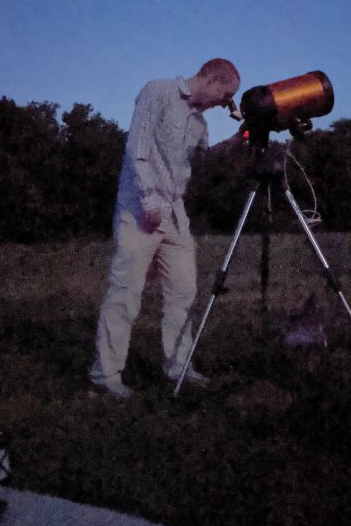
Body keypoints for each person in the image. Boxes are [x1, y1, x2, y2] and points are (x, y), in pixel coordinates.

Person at [90, 58, 241, 399]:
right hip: (139, 210)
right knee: (125, 292)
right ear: (213, 79)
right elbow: (137, 150)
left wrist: (236, 144)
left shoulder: (200, 124)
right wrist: (148, 201)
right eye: (226, 94)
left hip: (174, 214)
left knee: (183, 292)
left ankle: (179, 366)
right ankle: (105, 375)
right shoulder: (157, 92)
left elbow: (202, 163)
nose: (224, 102)